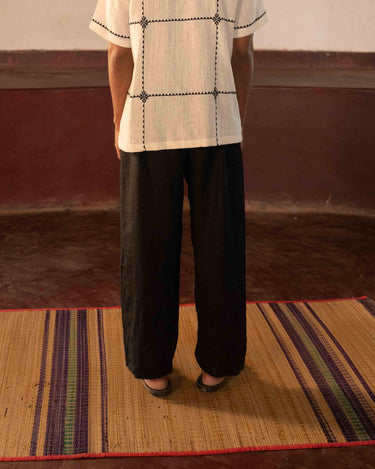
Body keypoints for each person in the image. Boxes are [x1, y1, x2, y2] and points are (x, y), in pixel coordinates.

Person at [89, 0, 268, 397]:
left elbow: (120, 55)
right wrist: (234, 117)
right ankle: (218, 366)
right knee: (221, 246)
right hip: (216, 123)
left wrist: (120, 120)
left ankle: (151, 366)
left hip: (148, 125)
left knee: (146, 247)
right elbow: (243, 53)